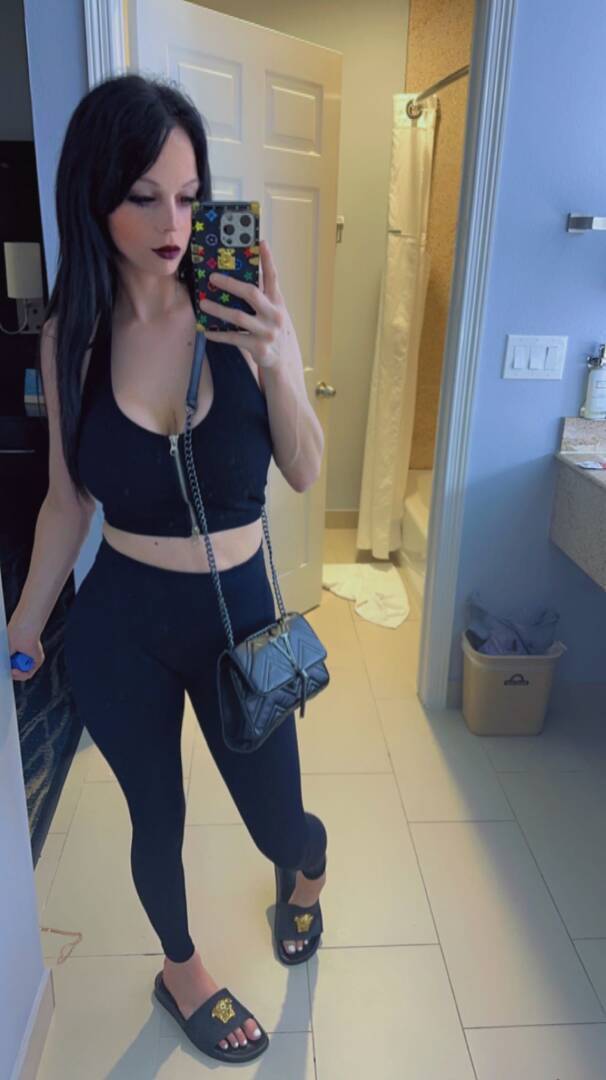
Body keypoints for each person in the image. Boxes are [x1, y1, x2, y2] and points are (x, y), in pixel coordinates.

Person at [7, 73, 328, 1065]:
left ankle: (307, 870)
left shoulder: (241, 307)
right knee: (156, 814)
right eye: (143, 196)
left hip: (240, 616)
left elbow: (305, 471)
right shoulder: (71, 340)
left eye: (189, 196)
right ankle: (181, 968)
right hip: (122, 623)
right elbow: (68, 502)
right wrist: (24, 624)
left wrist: (279, 357)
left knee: (281, 821)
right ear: (94, 195)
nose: (174, 224)